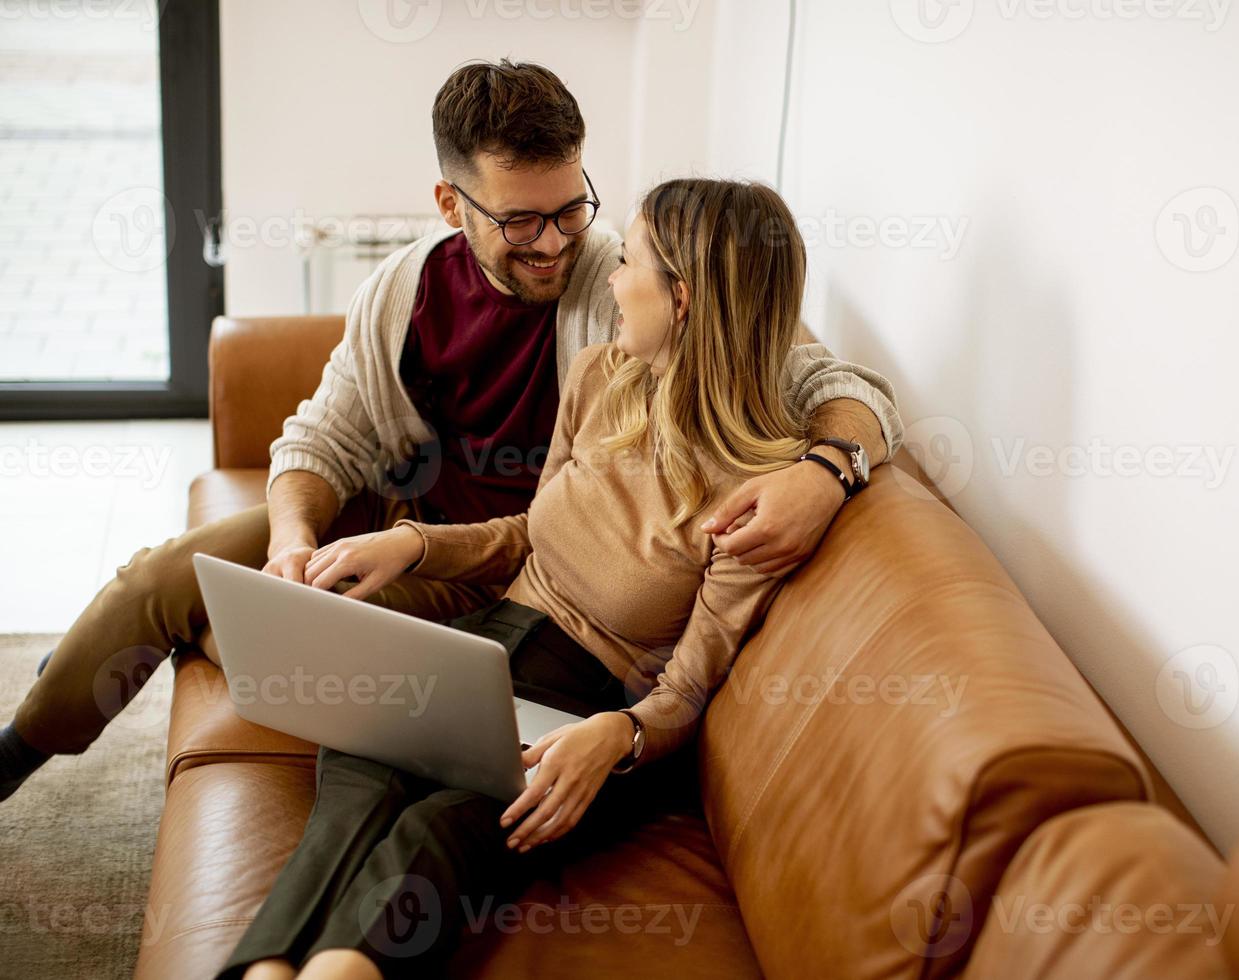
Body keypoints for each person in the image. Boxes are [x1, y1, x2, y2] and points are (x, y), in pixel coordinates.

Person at [0, 60, 902, 801]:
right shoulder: (403, 289)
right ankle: (18, 755)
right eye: (519, 220)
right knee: (159, 577)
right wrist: (290, 537)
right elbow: (320, 438)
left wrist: (828, 467)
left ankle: (184, 645)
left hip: (498, 578)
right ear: (449, 203)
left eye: (571, 207)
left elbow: (834, 377)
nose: (554, 243)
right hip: (394, 523)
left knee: (283, 642)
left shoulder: (626, 286)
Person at [223, 176, 839, 979]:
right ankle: (262, 967)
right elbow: (530, 536)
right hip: (487, 649)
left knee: (442, 828)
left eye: (631, 262)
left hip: (593, 711)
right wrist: (413, 545)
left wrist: (617, 738)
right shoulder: (596, 378)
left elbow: (690, 688)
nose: (609, 276)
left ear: (683, 298)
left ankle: (345, 969)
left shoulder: (757, 492)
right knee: (359, 760)